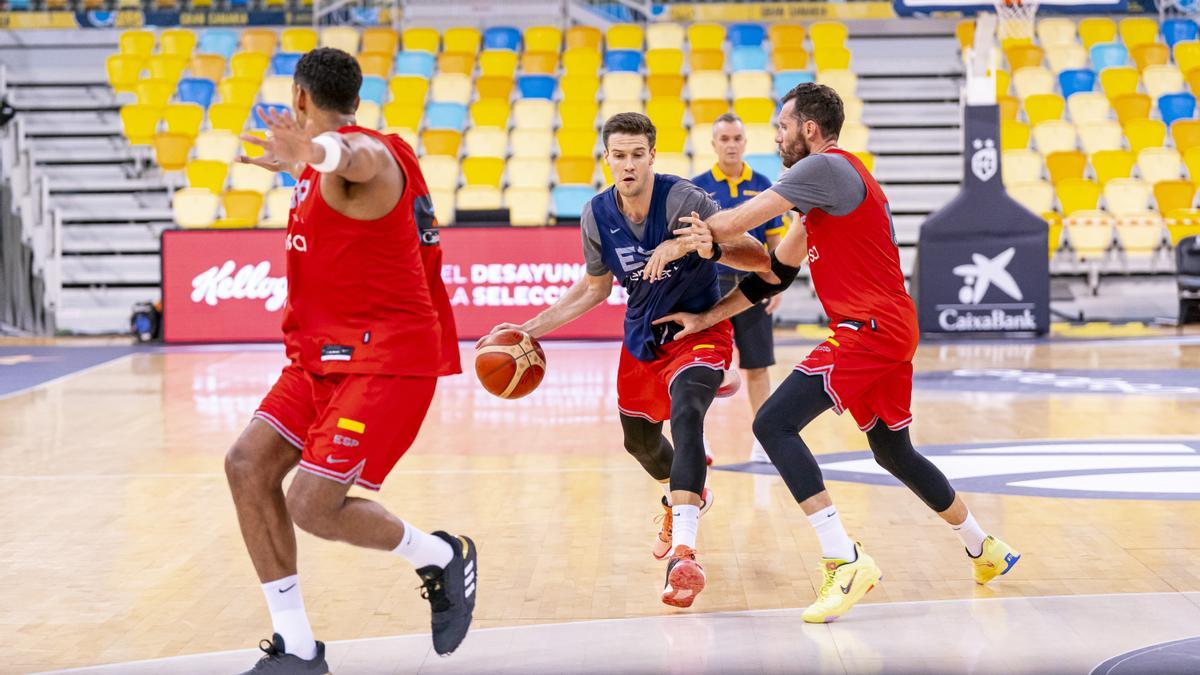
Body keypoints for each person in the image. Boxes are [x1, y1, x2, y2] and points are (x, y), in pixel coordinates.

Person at [656, 83, 1020, 624]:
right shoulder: (821, 198)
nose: (776, 137)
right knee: (894, 452)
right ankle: (982, 546)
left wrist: (683, 238)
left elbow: (739, 221)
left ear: (808, 129)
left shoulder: (823, 168)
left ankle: (843, 559)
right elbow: (772, 274)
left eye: (782, 126)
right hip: (889, 326)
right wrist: (703, 318)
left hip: (868, 327)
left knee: (773, 424)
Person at [224, 48, 477, 673]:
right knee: (246, 465)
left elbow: (354, 159)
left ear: (300, 99)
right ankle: (298, 648)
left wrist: (314, 152)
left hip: (385, 361)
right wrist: (300, 164)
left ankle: (440, 556)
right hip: (320, 357)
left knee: (314, 504)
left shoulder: (369, 155)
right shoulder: (316, 170)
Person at [479, 113, 770, 608]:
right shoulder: (596, 215)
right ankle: (683, 492)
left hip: (698, 327)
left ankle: (685, 555)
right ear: (607, 158)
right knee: (638, 441)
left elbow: (758, 256)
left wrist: (698, 243)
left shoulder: (684, 200)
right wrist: (526, 329)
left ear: (652, 156)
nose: (629, 163)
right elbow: (592, 290)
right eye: (620, 155)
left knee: (687, 414)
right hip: (642, 338)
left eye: (638, 154)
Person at [690, 113, 787, 464]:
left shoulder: (763, 183)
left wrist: (779, 284)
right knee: (700, 365)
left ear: (745, 143)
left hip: (754, 285)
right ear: (714, 144)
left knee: (758, 366)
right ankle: (696, 439)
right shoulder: (697, 187)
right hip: (710, 286)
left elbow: (776, 240)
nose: (731, 144)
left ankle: (765, 440)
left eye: (737, 138)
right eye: (724, 139)